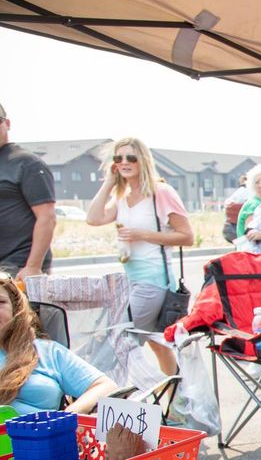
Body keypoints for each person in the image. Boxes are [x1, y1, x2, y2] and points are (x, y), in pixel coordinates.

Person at [86, 137, 194, 377]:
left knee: (123, 341)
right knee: (159, 345)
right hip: (129, 280)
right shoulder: (122, 196)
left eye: (130, 158)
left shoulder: (160, 192)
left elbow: (187, 236)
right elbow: (93, 219)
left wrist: (142, 235)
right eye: (118, 158)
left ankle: (130, 400)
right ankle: (177, 401)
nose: (124, 162)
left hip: (153, 281)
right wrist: (109, 183)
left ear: (142, 160)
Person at [0, 276, 117, 414]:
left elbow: (105, 386)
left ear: (15, 308)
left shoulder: (47, 352)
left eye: (0, 302)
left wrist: (70, 415)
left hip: (44, 433)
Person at [0, 102, 56, 279]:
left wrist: (32, 266)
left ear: (7, 124)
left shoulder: (27, 163)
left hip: (17, 265)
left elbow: (47, 217)